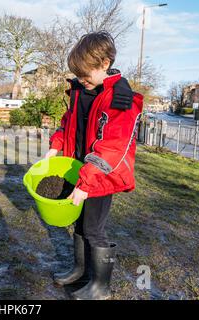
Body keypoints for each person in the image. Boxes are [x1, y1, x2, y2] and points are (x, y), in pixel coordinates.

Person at [45, 31, 144, 300]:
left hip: (100, 176)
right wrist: (56, 145)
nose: (80, 79)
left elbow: (112, 147)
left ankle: (101, 287)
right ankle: (80, 270)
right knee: (79, 225)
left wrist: (87, 183)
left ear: (105, 63)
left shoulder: (121, 99)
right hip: (78, 170)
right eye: (77, 75)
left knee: (94, 229)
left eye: (85, 74)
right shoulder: (80, 90)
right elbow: (68, 122)